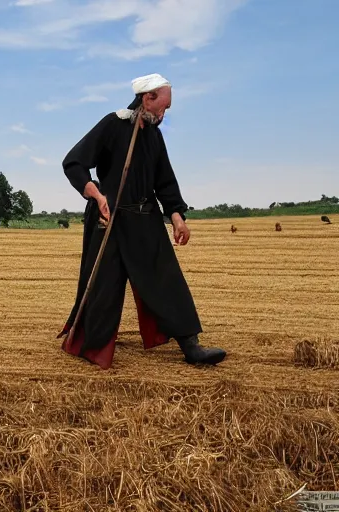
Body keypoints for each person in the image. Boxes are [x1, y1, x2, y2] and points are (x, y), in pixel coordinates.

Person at [57, 73, 226, 370]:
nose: (164, 113)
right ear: (147, 98)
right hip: (109, 219)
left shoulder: (154, 135)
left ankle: (191, 345)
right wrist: (96, 195)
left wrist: (176, 216)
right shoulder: (114, 124)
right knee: (102, 287)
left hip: (145, 218)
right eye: (163, 106)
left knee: (166, 279)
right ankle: (90, 341)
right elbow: (74, 162)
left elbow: (164, 181)